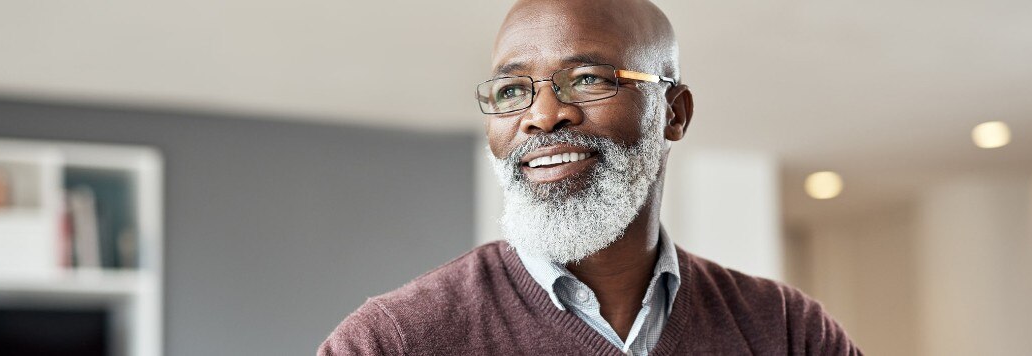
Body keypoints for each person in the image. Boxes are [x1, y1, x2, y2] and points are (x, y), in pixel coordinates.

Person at [320, 0, 861, 354]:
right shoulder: (393, 341)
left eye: (587, 79)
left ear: (674, 112)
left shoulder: (787, 332)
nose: (542, 114)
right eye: (511, 91)